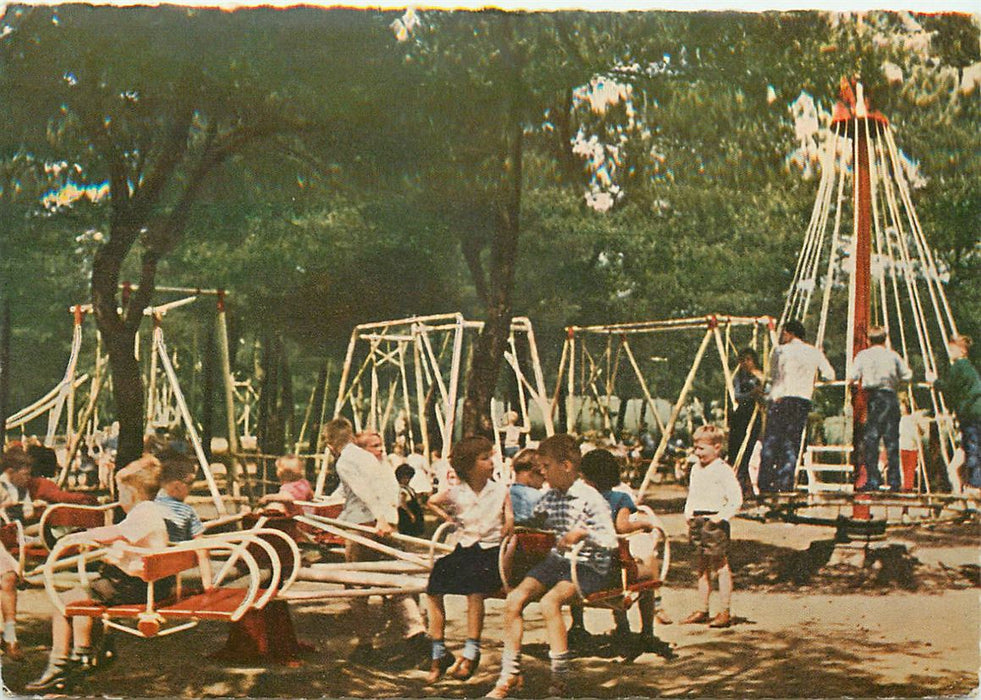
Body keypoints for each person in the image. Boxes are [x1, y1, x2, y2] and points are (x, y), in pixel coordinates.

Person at [488, 434, 618, 699]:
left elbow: (610, 540)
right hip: (559, 562)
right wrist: (509, 521)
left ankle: (560, 680)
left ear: (566, 466)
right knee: (514, 599)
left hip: (588, 565)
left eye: (546, 467)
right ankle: (509, 673)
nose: (542, 473)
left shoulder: (589, 498)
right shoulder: (551, 495)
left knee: (550, 603)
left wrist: (583, 534)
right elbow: (535, 518)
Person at [26, 456, 169, 692]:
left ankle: (60, 663)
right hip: (146, 584)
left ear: (132, 492)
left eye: (120, 492)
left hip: (135, 588)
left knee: (62, 601)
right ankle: (83, 654)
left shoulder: (145, 513)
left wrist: (82, 536)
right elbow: (126, 541)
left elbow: (117, 532)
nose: (118, 498)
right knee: (82, 595)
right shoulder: (149, 512)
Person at [322, 418, 427, 661]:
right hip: (385, 524)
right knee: (392, 578)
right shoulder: (368, 458)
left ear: (331, 444)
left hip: (364, 526)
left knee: (356, 585)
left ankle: (365, 643)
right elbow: (388, 488)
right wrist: (391, 520)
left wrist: (379, 518)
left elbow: (362, 491)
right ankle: (415, 632)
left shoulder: (344, 462)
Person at [424, 436, 513, 683]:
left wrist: (508, 524)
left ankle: (471, 650)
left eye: (491, 457)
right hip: (466, 547)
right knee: (434, 584)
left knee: (475, 590)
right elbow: (431, 501)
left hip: (490, 550)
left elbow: (510, 518)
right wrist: (449, 520)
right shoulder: (457, 492)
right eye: (485, 459)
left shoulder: (500, 489)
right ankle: (438, 650)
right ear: (468, 466)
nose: (491, 463)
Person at [568, 448, 671, 656]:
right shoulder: (620, 498)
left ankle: (587, 625)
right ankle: (647, 632)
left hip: (577, 572)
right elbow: (622, 527)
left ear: (583, 475)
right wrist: (645, 524)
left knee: (584, 559)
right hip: (610, 573)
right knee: (647, 572)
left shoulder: (577, 498)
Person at [758, 320, 835, 493]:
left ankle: (765, 484)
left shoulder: (780, 351)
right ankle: (784, 484)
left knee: (771, 443)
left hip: (781, 398)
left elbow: (773, 375)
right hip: (801, 401)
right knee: (791, 444)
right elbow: (830, 374)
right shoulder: (814, 352)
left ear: (788, 333)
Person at [681, 425, 743, 629]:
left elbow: (736, 499)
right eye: (696, 448)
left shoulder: (723, 469)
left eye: (702, 449)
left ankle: (724, 611)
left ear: (717, 448)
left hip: (714, 522)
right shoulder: (696, 469)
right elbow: (693, 493)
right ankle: (702, 608)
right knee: (701, 566)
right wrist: (689, 512)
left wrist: (721, 517)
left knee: (720, 566)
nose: (698, 453)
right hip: (698, 520)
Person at [849, 327, 913, 491]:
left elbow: (852, 376)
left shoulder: (863, 356)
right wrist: (896, 380)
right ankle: (894, 481)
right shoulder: (893, 355)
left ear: (869, 340)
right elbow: (908, 375)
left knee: (872, 439)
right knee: (892, 440)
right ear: (885, 339)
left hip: (875, 398)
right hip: (890, 397)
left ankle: (873, 480)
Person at [929, 335, 981, 489]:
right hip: (975, 412)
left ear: (963, 351)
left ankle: (975, 486)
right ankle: (971, 485)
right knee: (973, 448)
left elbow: (950, 388)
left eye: (953, 348)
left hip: (971, 414)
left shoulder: (959, 366)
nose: (949, 351)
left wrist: (934, 381)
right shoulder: (970, 368)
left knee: (972, 449)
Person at [728, 348, 765, 499]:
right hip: (741, 416)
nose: (745, 363)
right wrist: (752, 394)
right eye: (743, 360)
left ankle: (747, 485)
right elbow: (736, 396)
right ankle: (739, 485)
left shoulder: (761, 376)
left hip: (754, 416)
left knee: (749, 451)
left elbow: (766, 393)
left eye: (748, 359)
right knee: (737, 451)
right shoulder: (739, 378)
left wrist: (760, 391)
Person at [508, 448, 545, 522]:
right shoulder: (536, 496)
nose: (542, 486)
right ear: (531, 475)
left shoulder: (506, 493)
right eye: (543, 479)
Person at [395, 464, 425, 537]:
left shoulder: (408, 488)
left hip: (413, 508)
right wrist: (410, 514)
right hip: (406, 512)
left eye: (409, 478)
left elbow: (413, 496)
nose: (407, 480)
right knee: (408, 529)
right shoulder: (402, 490)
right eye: (404, 478)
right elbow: (403, 503)